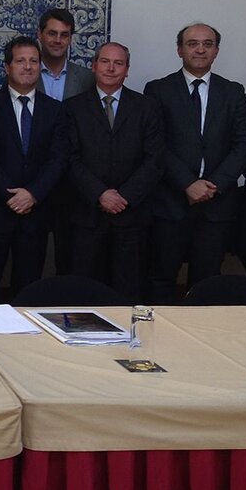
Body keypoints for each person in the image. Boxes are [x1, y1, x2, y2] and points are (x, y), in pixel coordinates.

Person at [144, 23, 246, 303]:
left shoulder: (233, 91)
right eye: (192, 43)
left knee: (207, 282)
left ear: (216, 50)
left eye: (207, 43)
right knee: (160, 278)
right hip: (170, 202)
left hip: (217, 206)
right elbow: (155, 144)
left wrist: (212, 185)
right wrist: (187, 183)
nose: (200, 49)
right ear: (179, 50)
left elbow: (244, 145)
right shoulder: (158, 90)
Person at [65, 42, 163, 302]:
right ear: (93, 66)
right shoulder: (72, 107)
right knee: (84, 292)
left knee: (128, 292)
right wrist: (100, 194)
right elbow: (69, 159)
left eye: (118, 63)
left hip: (131, 216)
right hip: (87, 215)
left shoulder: (147, 107)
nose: (111, 68)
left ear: (127, 70)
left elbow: (154, 160)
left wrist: (124, 196)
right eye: (105, 61)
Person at [0, 36, 68, 301]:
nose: (28, 67)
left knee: (28, 289)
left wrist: (32, 194)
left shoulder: (55, 110)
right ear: (7, 67)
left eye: (33, 61)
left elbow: (58, 159)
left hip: (35, 214)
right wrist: (9, 195)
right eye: (20, 61)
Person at [34, 7, 94, 277]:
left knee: (70, 257)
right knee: (29, 256)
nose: (58, 40)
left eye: (64, 35)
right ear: (40, 35)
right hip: (34, 176)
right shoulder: (25, 71)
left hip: (73, 183)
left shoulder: (87, 78)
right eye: (52, 33)